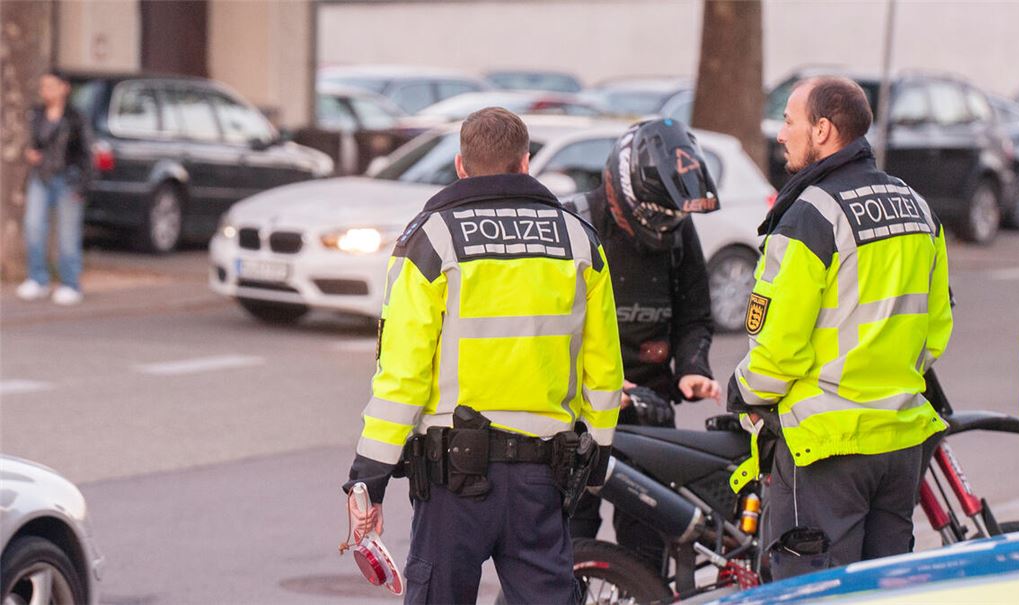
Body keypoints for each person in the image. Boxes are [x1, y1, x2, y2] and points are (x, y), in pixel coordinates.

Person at [343, 107, 624, 605]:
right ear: (525, 164)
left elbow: (402, 376)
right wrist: (596, 456)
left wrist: (370, 478)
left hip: (454, 483)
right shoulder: (579, 240)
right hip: (543, 479)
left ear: (460, 165)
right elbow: (603, 371)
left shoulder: (431, 241)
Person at [727, 76, 953, 579]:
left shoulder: (811, 216)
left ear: (823, 129)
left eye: (789, 121)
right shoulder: (917, 206)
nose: (781, 134)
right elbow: (936, 328)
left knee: (813, 589)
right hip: (899, 445)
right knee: (883, 589)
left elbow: (778, 351)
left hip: (828, 450)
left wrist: (742, 392)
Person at [565, 118, 722, 569]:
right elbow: (546, 330)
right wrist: (608, 384)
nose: (663, 226)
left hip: (652, 416)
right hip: (577, 416)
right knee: (569, 547)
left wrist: (694, 367)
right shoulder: (575, 224)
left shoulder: (678, 232)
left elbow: (696, 315)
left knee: (648, 552)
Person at [17, 69, 92, 305]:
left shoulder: (75, 117)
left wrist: (83, 185)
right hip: (41, 177)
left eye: (50, 86)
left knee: (67, 233)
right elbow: (33, 144)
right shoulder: (37, 114)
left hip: (69, 179)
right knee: (33, 226)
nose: (45, 91)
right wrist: (30, 155)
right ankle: (38, 279)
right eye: (43, 87)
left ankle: (71, 284)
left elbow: (87, 153)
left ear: (64, 88)